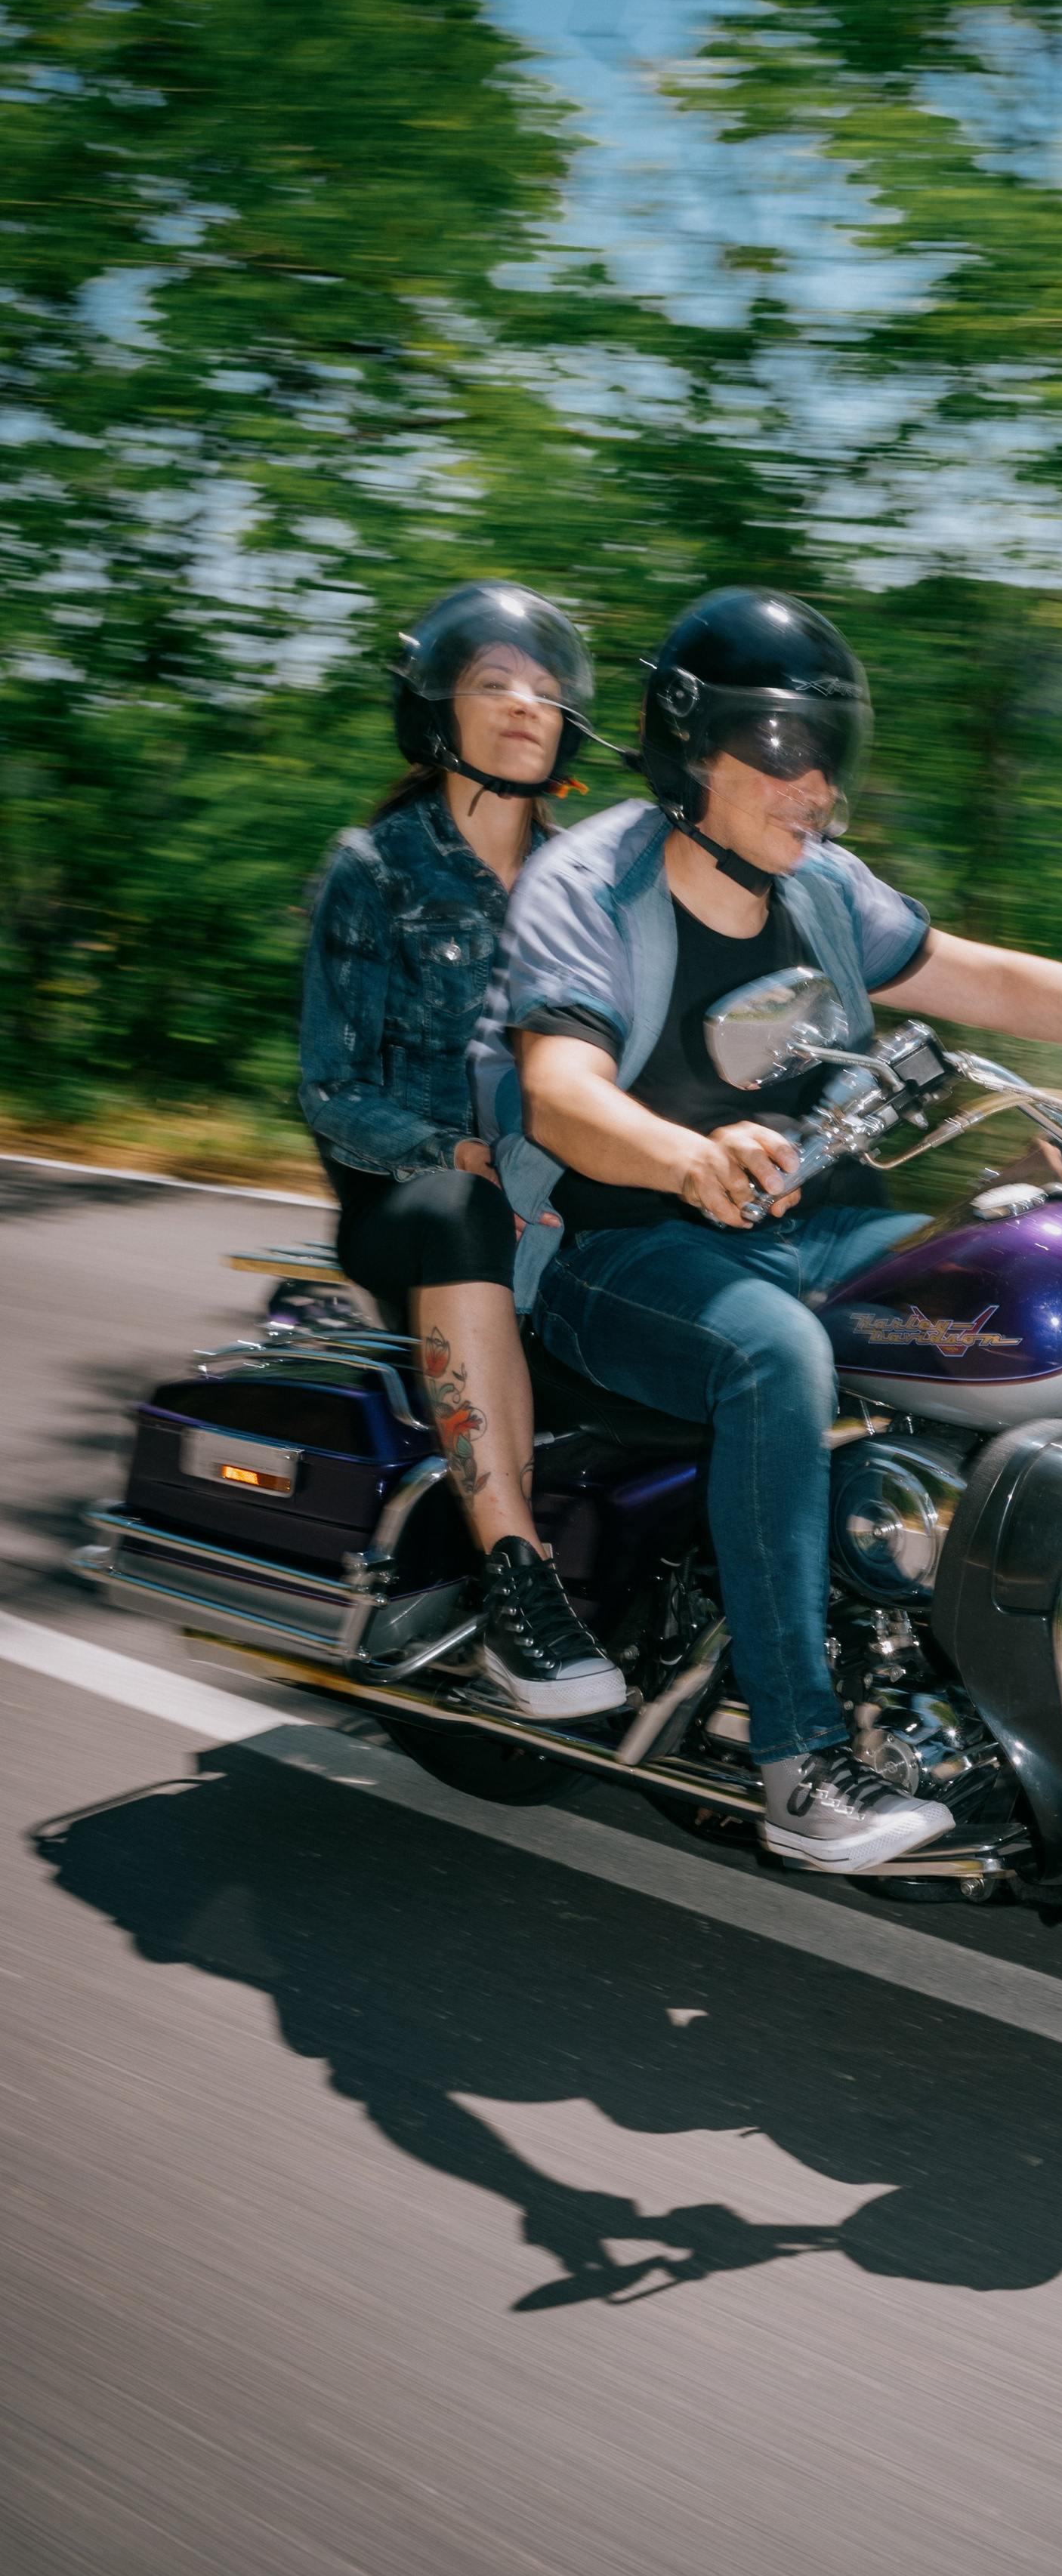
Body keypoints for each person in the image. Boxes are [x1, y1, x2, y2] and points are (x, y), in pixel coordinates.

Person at [471, 584, 1062, 1872]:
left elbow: (983, 975)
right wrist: (686, 1156)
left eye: (829, 757)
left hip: (805, 1230)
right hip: (617, 1252)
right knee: (778, 1358)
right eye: (778, 754)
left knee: (1048, 1279)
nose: (813, 788)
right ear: (685, 752)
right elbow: (562, 1095)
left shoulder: (820, 889)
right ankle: (801, 1764)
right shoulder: (589, 884)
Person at [299, 581, 623, 1728]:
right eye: (493, 685)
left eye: (545, 689)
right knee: (459, 1206)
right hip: (412, 1197)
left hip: (559, 1181)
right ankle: (521, 1586)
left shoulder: (595, 880)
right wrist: (459, 1149)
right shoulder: (376, 869)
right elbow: (332, 1092)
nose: (525, 704)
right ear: (437, 712)